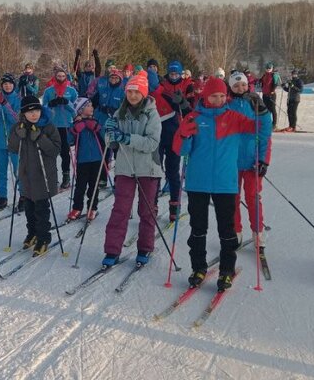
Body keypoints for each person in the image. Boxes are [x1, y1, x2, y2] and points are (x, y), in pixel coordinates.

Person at [173, 77, 257, 292]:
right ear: (205, 96)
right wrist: (183, 134)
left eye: (222, 96)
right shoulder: (194, 117)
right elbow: (180, 150)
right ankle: (198, 268)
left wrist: (263, 112)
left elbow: (259, 130)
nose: (218, 100)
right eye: (214, 96)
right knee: (198, 229)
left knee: (227, 230)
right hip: (197, 182)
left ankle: (226, 271)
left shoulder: (235, 117)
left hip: (225, 183)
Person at [100, 72, 163, 268]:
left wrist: (127, 138)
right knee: (120, 209)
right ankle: (112, 250)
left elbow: (152, 143)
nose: (133, 96)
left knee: (146, 211)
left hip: (148, 169)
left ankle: (145, 248)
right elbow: (111, 144)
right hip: (125, 167)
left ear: (143, 93)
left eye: (137, 92)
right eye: (130, 92)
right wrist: (108, 132)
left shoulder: (152, 114)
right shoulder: (119, 113)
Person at [8, 95, 62, 256]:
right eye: (30, 112)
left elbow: (55, 150)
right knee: (29, 208)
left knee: (41, 210)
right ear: (23, 113)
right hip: (26, 176)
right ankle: (32, 233)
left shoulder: (48, 127)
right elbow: (12, 147)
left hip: (43, 176)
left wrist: (40, 137)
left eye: (36, 110)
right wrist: (19, 134)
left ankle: (43, 238)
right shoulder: (18, 127)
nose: (34, 114)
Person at [227, 72, 272, 250]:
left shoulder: (255, 103)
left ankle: (258, 232)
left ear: (248, 85)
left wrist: (263, 160)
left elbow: (265, 135)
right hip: (232, 161)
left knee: (253, 197)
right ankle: (235, 232)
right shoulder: (227, 105)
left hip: (253, 161)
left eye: (243, 85)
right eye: (236, 86)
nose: (240, 88)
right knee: (233, 198)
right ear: (230, 87)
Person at [152, 61, 195, 221]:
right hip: (157, 133)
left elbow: (191, 110)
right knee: (155, 171)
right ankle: (153, 204)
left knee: (173, 172)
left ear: (181, 73)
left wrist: (182, 103)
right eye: (172, 74)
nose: (174, 77)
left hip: (175, 134)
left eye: (177, 74)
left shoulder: (187, 85)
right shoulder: (161, 86)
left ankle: (174, 206)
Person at [41, 65, 79, 189]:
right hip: (52, 124)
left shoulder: (71, 91)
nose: (61, 78)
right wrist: (51, 104)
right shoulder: (49, 91)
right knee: (51, 152)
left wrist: (66, 103)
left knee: (64, 152)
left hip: (66, 124)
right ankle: (52, 177)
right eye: (58, 76)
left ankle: (66, 176)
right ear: (55, 77)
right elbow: (44, 108)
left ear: (66, 77)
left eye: (63, 76)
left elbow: (76, 108)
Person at [67, 98, 105, 221]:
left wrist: (96, 126)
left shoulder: (95, 121)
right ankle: (77, 207)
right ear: (81, 110)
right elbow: (69, 139)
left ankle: (92, 208)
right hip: (82, 159)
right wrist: (74, 129)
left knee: (94, 185)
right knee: (80, 185)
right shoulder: (76, 123)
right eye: (89, 106)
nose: (92, 107)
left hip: (96, 158)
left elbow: (104, 134)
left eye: (91, 105)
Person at [0, 73, 23, 210]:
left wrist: (5, 105)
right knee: (1, 170)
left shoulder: (18, 99)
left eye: (9, 83)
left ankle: (23, 196)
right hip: (0, 140)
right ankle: (2, 196)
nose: (7, 86)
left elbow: (16, 119)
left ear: (13, 85)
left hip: (14, 139)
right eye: (4, 84)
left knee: (18, 170)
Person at [260, 62, 281, 129]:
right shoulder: (264, 75)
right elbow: (262, 82)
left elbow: (275, 83)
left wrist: (272, 90)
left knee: (272, 109)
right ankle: (268, 123)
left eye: (270, 68)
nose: (268, 69)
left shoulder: (274, 75)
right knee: (266, 110)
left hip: (271, 94)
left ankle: (274, 124)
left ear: (272, 68)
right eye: (267, 68)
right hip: (265, 94)